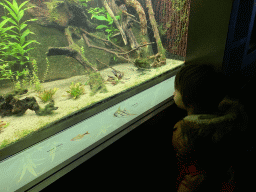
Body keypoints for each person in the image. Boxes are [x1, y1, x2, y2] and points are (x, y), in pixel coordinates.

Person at [172, 62, 248, 192]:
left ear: (190, 101)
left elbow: (183, 159)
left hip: (196, 183)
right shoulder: (231, 120)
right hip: (226, 177)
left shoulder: (185, 131)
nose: (174, 93)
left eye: (177, 90)